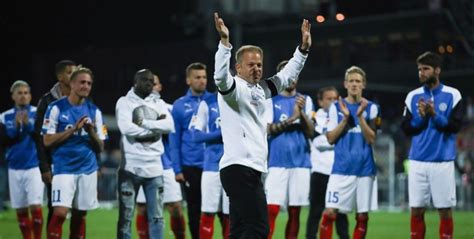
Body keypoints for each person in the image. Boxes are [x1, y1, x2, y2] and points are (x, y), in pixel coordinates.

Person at [213, 12, 311, 238]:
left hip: (250, 169)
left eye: (259, 64)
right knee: (259, 228)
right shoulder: (233, 90)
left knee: (239, 229)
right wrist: (225, 44)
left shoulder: (261, 90)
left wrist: (303, 50)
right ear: (238, 68)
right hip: (239, 168)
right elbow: (220, 78)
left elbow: (286, 76)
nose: (256, 68)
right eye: (251, 65)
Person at [400, 51, 463, 239]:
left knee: (444, 210)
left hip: (442, 161)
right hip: (417, 162)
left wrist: (435, 115)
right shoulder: (412, 96)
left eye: (425, 69)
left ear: (437, 70)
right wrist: (422, 117)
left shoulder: (453, 94)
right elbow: (407, 129)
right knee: (416, 210)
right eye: (419, 69)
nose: (421, 73)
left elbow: (454, 127)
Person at [42, 67, 106, 239]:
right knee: (61, 212)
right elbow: (46, 140)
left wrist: (91, 131)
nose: (86, 86)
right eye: (82, 82)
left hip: (88, 169)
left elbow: (101, 146)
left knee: (80, 215)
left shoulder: (95, 111)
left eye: (89, 83)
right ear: (72, 84)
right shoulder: (55, 108)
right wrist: (72, 130)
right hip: (64, 168)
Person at [318, 66, 380, 239]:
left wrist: (360, 117)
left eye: (358, 81)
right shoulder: (335, 107)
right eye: (351, 81)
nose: (354, 84)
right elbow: (330, 138)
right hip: (341, 169)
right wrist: (346, 119)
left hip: (365, 170)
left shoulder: (373, 108)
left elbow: (371, 139)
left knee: (362, 216)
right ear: (345, 84)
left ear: (364, 84)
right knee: (329, 213)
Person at [115, 69, 174, 239]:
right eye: (145, 80)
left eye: (151, 81)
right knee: (125, 218)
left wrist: (143, 123)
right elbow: (126, 129)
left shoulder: (159, 103)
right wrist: (155, 127)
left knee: (157, 217)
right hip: (130, 168)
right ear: (135, 82)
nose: (149, 84)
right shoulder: (124, 102)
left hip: (155, 168)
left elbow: (169, 126)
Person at [264, 60, 314, 239]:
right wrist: (292, 119)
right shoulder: (271, 100)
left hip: (301, 163)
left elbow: (311, 132)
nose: (292, 77)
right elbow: (268, 129)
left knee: (295, 211)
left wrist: (300, 113)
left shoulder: (305, 100)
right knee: (272, 209)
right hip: (277, 162)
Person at [135, 74, 186, 239]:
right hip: (143, 164)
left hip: (167, 165)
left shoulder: (170, 109)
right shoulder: (134, 109)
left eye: (153, 83)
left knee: (175, 207)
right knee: (142, 208)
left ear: (159, 87)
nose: (150, 87)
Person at [33, 59, 77, 228]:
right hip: (56, 163)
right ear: (60, 77)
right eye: (69, 72)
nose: (73, 75)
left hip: (80, 162)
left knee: (80, 211)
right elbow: (39, 137)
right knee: (57, 211)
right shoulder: (47, 102)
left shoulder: (82, 97)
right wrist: (44, 166)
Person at [169, 62, 211, 239]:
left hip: (213, 164)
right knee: (194, 209)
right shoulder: (179, 105)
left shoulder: (216, 100)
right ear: (188, 80)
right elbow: (174, 140)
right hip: (191, 165)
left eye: (204, 77)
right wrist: (177, 169)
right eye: (197, 77)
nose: (202, 81)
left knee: (218, 209)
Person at [1, 81, 44, 239]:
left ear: (30, 95)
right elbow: (3, 142)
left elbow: (42, 138)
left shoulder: (38, 112)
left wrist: (28, 126)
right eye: (19, 93)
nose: (23, 96)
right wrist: (18, 129)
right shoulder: (4, 117)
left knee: (35, 205)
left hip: (34, 167)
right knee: (20, 209)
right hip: (14, 167)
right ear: (13, 96)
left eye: (26, 93)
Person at [305, 86, 349, 239]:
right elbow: (318, 141)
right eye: (328, 99)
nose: (332, 102)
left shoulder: (342, 117)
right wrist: (336, 138)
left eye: (335, 99)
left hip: (338, 171)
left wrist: (331, 137)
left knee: (341, 212)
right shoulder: (315, 117)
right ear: (320, 101)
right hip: (320, 171)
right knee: (316, 211)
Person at [189, 91, 230, 239]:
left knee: (230, 215)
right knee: (207, 212)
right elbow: (195, 136)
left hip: (233, 167)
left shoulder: (240, 102)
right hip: (211, 167)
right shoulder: (207, 104)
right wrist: (220, 134)